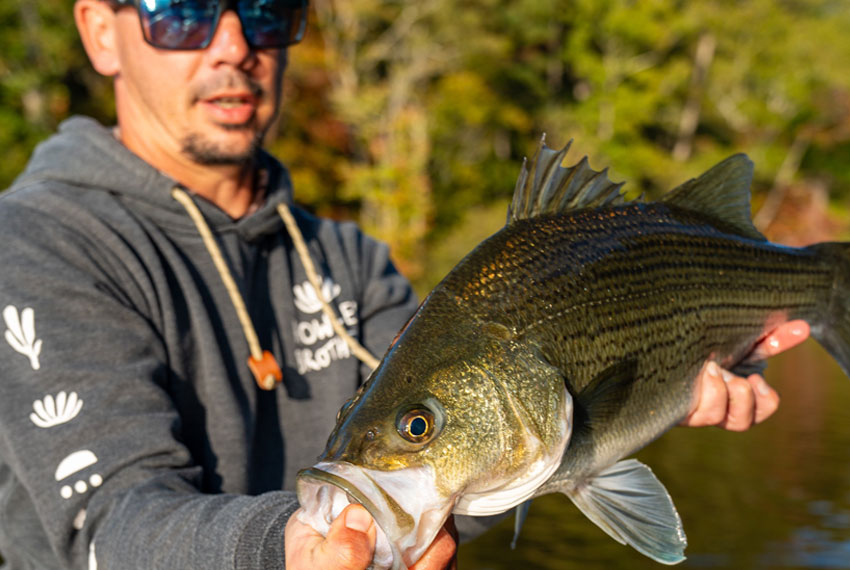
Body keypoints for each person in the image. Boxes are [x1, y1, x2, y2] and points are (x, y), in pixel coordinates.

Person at [0, 1, 810, 569]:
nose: (231, 43)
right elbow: (109, 528)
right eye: (180, 9)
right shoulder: (37, 244)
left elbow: (469, 477)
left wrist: (648, 390)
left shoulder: (350, 257)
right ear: (99, 32)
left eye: (269, 10)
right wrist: (290, 549)